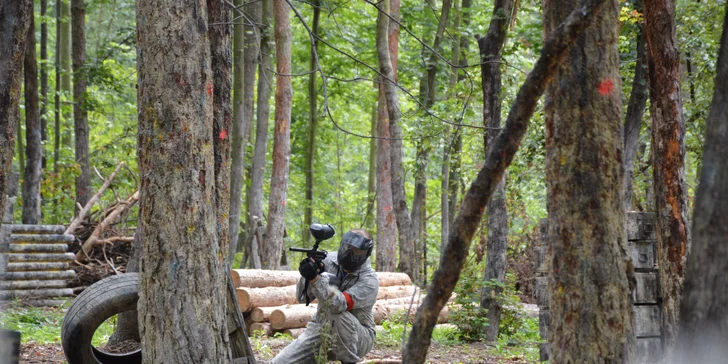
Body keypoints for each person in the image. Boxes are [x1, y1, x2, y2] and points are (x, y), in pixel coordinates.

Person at [270, 229, 379, 364]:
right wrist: (308, 274)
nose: (348, 254)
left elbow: (338, 305)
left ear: (365, 254)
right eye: (347, 248)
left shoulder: (369, 280)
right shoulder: (328, 261)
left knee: (338, 315)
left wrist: (316, 280)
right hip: (321, 329)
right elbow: (302, 298)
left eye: (355, 251)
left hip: (359, 337)